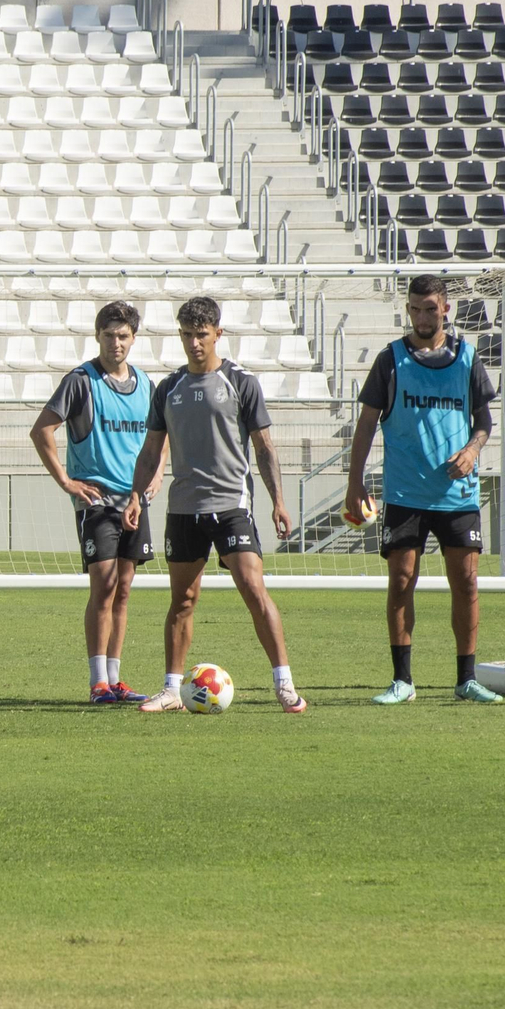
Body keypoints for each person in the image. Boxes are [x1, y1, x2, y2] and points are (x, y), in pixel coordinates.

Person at [123, 297, 307, 714]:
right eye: (186, 335)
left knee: (254, 589)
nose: (193, 343)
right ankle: (171, 689)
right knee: (183, 600)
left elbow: (264, 447)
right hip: (184, 507)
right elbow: (151, 451)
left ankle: (284, 684)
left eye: (201, 335)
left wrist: (278, 501)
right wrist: (136, 496)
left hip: (230, 505)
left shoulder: (241, 383)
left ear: (218, 334)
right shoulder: (169, 388)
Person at [345, 274, 500, 705]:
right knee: (401, 580)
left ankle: (466, 678)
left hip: (457, 494)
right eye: (415, 308)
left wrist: (472, 449)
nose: (422, 316)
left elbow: (484, 422)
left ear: (445, 308)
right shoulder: (391, 359)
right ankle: (403, 681)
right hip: (404, 494)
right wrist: (354, 483)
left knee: (466, 582)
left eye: (430, 308)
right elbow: (365, 425)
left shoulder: (467, 357)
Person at [30, 301, 163, 703]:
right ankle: (97, 683)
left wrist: (155, 475)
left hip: (134, 503)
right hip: (98, 502)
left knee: (123, 589)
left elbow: (160, 435)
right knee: (103, 587)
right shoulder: (81, 381)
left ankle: (116, 679)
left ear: (134, 339)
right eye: (109, 335)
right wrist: (67, 482)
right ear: (97, 336)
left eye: (123, 336)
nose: (116, 343)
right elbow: (42, 430)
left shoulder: (146, 384)